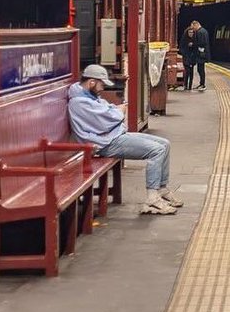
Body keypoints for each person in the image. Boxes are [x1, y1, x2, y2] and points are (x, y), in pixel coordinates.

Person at [68, 64, 183, 215]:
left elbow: (107, 110)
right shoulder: (80, 103)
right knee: (157, 150)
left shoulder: (89, 96)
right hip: (105, 143)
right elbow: (107, 120)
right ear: (91, 82)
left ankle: (161, 188)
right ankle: (152, 198)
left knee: (165, 144)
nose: (102, 88)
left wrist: (114, 111)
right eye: (101, 84)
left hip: (113, 136)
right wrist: (119, 112)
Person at [190, 20, 210, 91]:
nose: (193, 29)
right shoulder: (204, 31)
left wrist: (193, 44)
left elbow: (201, 43)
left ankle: (202, 84)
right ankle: (202, 84)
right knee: (200, 69)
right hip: (203, 53)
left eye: (193, 27)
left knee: (200, 70)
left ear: (196, 25)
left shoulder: (200, 32)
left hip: (201, 54)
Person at [181, 26, 196, 90]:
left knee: (191, 72)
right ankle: (185, 85)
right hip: (186, 58)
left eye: (192, 32)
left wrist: (193, 45)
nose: (191, 34)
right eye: (189, 32)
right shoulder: (184, 39)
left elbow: (196, 48)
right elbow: (181, 48)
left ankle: (190, 86)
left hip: (192, 58)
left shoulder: (195, 40)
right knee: (187, 71)